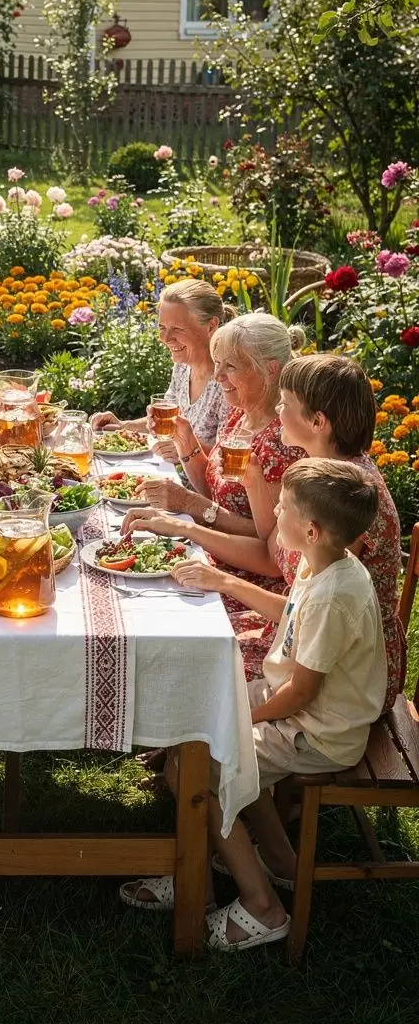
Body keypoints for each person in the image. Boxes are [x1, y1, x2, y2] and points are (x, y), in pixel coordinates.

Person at [120, 458, 387, 951]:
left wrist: (237, 721)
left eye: (282, 506)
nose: (274, 512)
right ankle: (273, 862)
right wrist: (225, 583)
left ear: (310, 529)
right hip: (297, 709)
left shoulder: (334, 595)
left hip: (318, 731)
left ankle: (261, 905)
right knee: (191, 723)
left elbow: (302, 694)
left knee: (197, 767)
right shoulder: (326, 563)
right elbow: (293, 614)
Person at [125, 354, 405, 707]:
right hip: (297, 631)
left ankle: (201, 738)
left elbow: (315, 614)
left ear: (317, 421)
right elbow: (271, 556)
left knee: (189, 662)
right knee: (170, 620)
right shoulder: (315, 472)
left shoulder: (345, 497)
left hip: (343, 673)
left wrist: (223, 580)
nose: (277, 410)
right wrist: (182, 526)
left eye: (285, 403)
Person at [124, 312, 306, 678]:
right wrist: (187, 443)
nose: (218, 376)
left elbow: (269, 547)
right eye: (217, 364)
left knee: (160, 635)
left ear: (269, 370)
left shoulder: (282, 441)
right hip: (219, 560)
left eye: (230, 367)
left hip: (256, 586)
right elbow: (217, 492)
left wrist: (191, 509)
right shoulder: (240, 416)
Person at [91, 279, 233, 455]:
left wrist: (186, 448)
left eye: (177, 329)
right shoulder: (182, 368)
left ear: (211, 326)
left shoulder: (227, 382)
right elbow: (165, 422)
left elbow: (229, 455)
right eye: (162, 328)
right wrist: (123, 426)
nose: (165, 339)